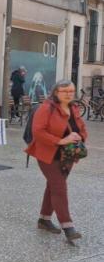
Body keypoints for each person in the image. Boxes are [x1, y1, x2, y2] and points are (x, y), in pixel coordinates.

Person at [26, 80, 87, 242]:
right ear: (56, 92)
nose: (69, 94)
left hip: (68, 156)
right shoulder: (46, 108)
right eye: (64, 91)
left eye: (71, 91)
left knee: (53, 186)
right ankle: (68, 226)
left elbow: (81, 128)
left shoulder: (73, 108)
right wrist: (61, 140)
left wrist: (79, 136)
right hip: (47, 154)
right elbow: (38, 132)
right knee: (59, 187)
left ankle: (44, 220)